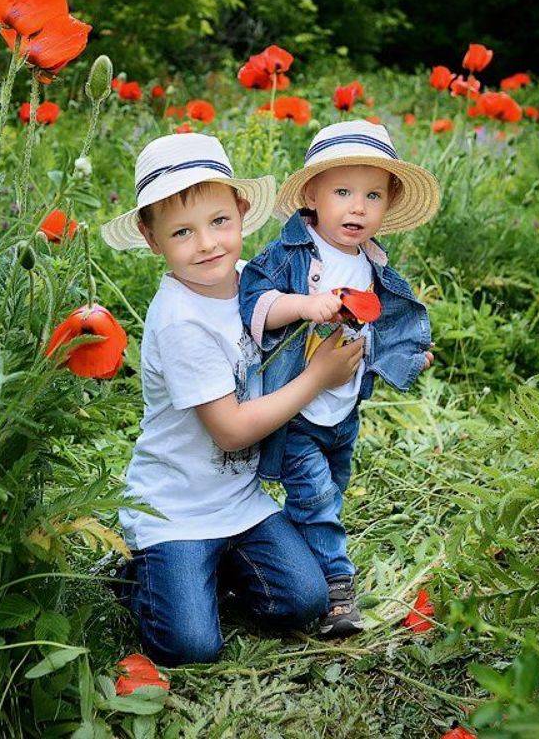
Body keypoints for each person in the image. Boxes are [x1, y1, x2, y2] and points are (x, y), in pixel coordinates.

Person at [100, 132, 365, 665]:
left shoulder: (247, 280)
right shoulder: (180, 321)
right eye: (182, 232)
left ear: (241, 213)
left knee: (304, 601)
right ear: (153, 241)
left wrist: (320, 307)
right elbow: (231, 430)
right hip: (173, 510)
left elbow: (279, 305)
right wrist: (316, 378)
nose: (207, 244)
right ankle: (140, 577)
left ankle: (211, 571)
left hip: (238, 501)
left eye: (219, 222)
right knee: (192, 646)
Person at [239, 119, 440, 637]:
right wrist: (307, 304)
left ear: (389, 204)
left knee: (331, 491)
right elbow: (253, 301)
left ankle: (287, 557)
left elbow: (376, 330)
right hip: (297, 409)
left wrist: (405, 354)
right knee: (317, 499)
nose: (358, 207)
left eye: (373, 195)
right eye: (343, 192)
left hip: (343, 411)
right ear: (311, 194)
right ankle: (336, 591)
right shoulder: (292, 255)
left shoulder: (372, 264)